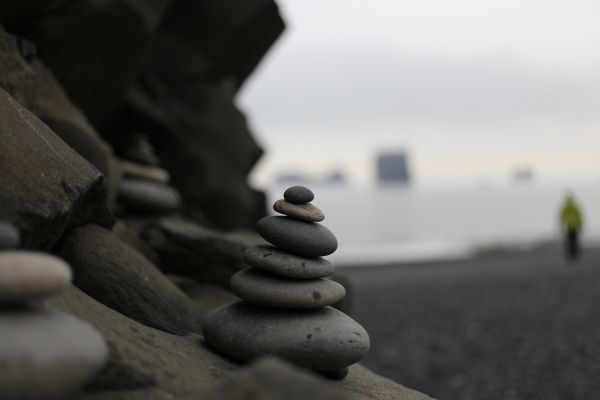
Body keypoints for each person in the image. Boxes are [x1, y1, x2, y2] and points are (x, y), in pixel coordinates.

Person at [559, 193, 583, 261]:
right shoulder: (575, 206)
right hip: (575, 226)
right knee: (574, 240)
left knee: (569, 241)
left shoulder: (565, 207)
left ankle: (570, 254)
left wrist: (561, 224)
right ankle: (575, 254)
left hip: (568, 226)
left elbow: (561, 216)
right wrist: (580, 224)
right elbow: (579, 216)